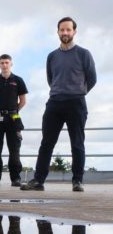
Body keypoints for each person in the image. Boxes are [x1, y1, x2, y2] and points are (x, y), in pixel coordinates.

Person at [21, 17, 97, 192]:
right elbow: (51, 78)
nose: (65, 33)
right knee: (46, 143)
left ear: (74, 32)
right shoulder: (52, 56)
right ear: (58, 32)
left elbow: (92, 79)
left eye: (68, 30)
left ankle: (77, 181)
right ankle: (38, 181)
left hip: (76, 103)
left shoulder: (84, 54)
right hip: (54, 102)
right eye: (62, 30)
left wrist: (78, 91)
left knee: (77, 143)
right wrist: (60, 90)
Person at [0, 54, 28, 187]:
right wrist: (1, 111)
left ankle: (15, 179)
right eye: (2, 63)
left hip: (14, 117)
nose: (4, 65)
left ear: (11, 64)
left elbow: (23, 101)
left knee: (14, 149)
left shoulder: (18, 80)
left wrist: (12, 111)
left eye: (7, 62)